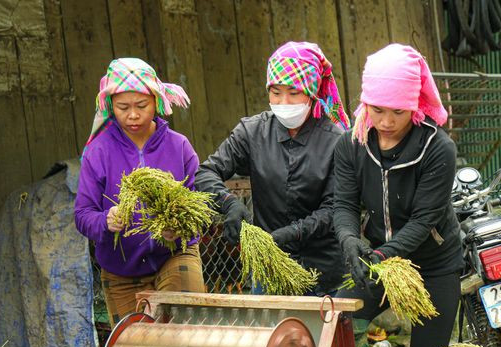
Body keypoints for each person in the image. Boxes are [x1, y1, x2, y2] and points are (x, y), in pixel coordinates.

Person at [325, 44, 464, 347]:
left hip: (433, 262)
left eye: (397, 113)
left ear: (414, 106)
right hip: (379, 259)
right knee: (342, 329)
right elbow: (344, 204)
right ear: (366, 102)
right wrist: (350, 240)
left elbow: (425, 220)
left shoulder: (436, 148)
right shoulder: (352, 143)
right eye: (377, 109)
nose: (385, 122)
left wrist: (383, 254)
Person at [195, 41, 349, 296]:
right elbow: (206, 172)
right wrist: (229, 203)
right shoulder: (252, 131)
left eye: (293, 93)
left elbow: (336, 208)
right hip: (268, 268)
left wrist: (291, 234)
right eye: (276, 93)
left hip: (323, 273)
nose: (284, 102)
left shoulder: (336, 139)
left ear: (311, 93)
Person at [74, 58, 205, 325]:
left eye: (141, 106)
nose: (133, 115)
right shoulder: (99, 152)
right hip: (121, 270)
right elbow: (82, 214)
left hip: (173, 255)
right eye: (123, 107)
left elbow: (200, 209)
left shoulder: (178, 147)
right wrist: (105, 220)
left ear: (156, 102)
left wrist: (179, 228)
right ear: (111, 106)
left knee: (184, 336)